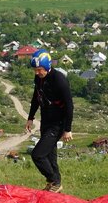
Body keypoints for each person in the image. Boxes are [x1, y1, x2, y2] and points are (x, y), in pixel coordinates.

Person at [24, 49, 73, 192]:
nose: (37, 73)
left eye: (39, 70)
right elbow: (36, 98)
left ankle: (53, 180)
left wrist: (67, 129)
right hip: (46, 119)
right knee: (51, 156)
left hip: (58, 123)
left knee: (38, 155)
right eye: (35, 70)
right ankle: (55, 185)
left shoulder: (59, 80)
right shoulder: (39, 79)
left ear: (47, 66)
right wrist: (30, 117)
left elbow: (69, 105)